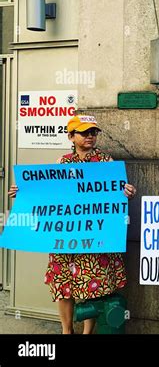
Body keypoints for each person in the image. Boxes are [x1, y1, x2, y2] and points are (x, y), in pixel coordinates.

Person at [8, 115, 137, 334]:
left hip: (93, 237)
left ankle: (87, 332)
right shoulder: (61, 162)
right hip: (65, 238)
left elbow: (116, 195)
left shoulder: (106, 162)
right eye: (84, 132)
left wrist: (127, 193)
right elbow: (49, 193)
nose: (90, 136)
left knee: (92, 284)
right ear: (71, 136)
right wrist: (24, 194)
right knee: (63, 285)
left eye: (93, 132)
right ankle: (67, 331)